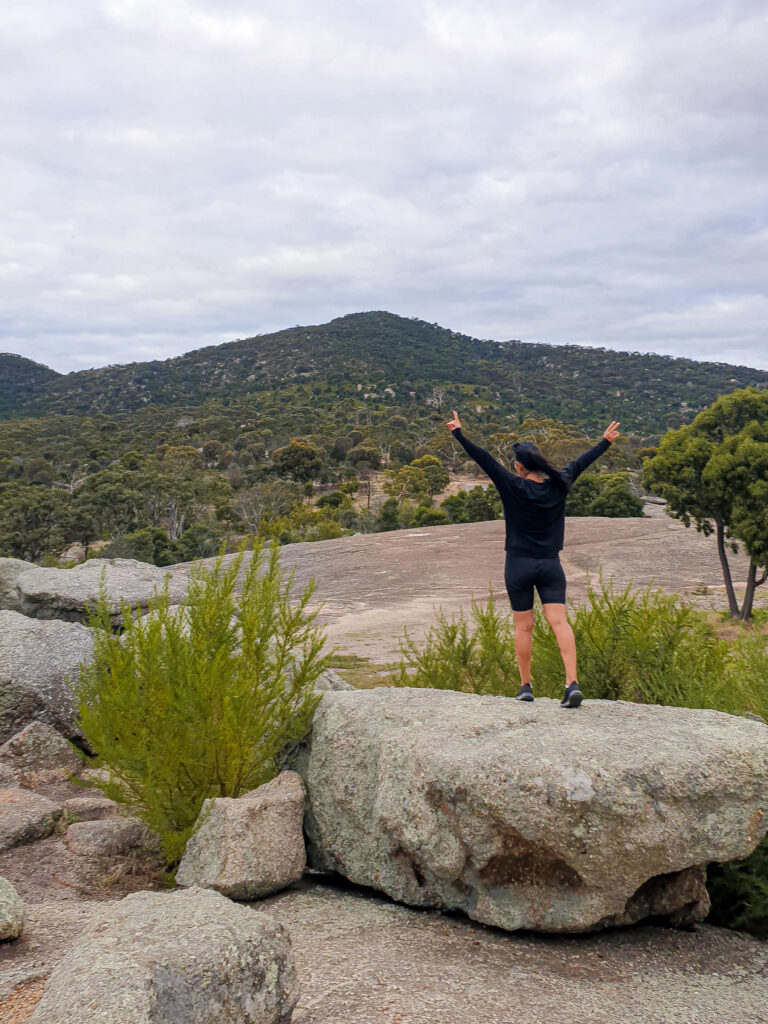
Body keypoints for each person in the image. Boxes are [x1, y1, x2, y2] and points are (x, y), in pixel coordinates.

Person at [446, 410, 620, 708]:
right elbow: (582, 461)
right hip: (550, 565)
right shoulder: (560, 482)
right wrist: (605, 442)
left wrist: (459, 434)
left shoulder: (512, 485)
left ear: (518, 466)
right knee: (559, 622)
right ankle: (571, 683)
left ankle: (526, 686)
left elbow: (484, 459)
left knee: (523, 626)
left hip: (518, 565)